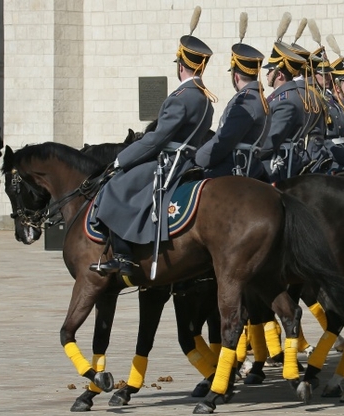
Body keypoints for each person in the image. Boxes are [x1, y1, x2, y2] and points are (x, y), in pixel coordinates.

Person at [90, 33, 215, 276]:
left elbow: (157, 139)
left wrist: (121, 160)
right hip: (188, 160)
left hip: (169, 163)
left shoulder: (180, 98)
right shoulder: (205, 99)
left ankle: (123, 256)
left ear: (181, 66)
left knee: (117, 185)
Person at [195, 42, 270, 181]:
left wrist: (197, 160)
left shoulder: (245, 101)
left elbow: (224, 140)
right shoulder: (259, 98)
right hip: (250, 165)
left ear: (235, 76)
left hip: (234, 167)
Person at [260, 42, 307, 182]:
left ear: (279, 75)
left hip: (278, 164)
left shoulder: (285, 100)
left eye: (270, 71)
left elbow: (271, 139)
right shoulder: (282, 97)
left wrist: (250, 152)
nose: (267, 74)